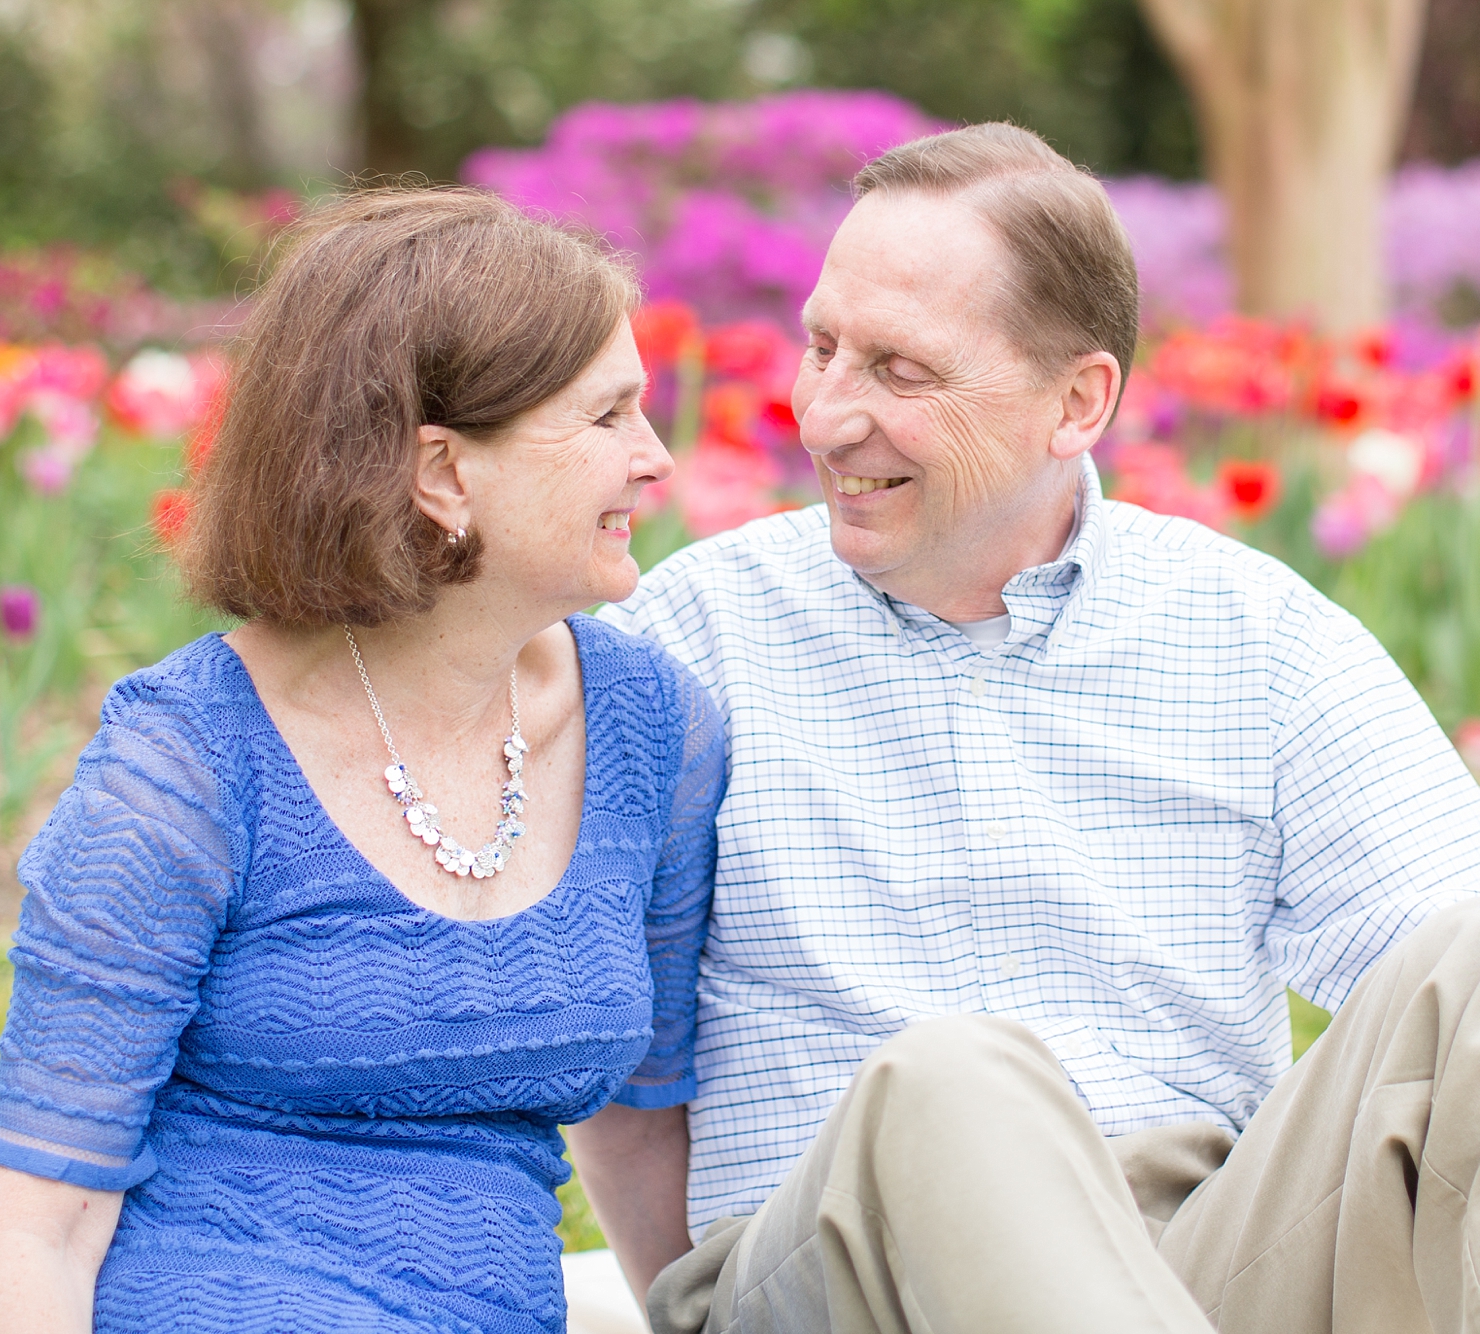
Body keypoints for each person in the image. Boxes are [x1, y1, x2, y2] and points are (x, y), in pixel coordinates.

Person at [572, 122, 1480, 1334]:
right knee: (958, 1077)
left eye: (899, 371)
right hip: (839, 1267)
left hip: (1186, 1260)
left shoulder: (1255, 637)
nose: (827, 416)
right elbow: (605, 1053)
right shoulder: (685, 642)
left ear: (1076, 400)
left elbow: (1437, 993)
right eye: (822, 346)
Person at [0, 188, 726, 1334]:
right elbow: (36, 1213)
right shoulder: (188, 764)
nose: (654, 459)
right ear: (444, 474)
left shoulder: (652, 730)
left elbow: (647, 1113)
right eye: (606, 418)